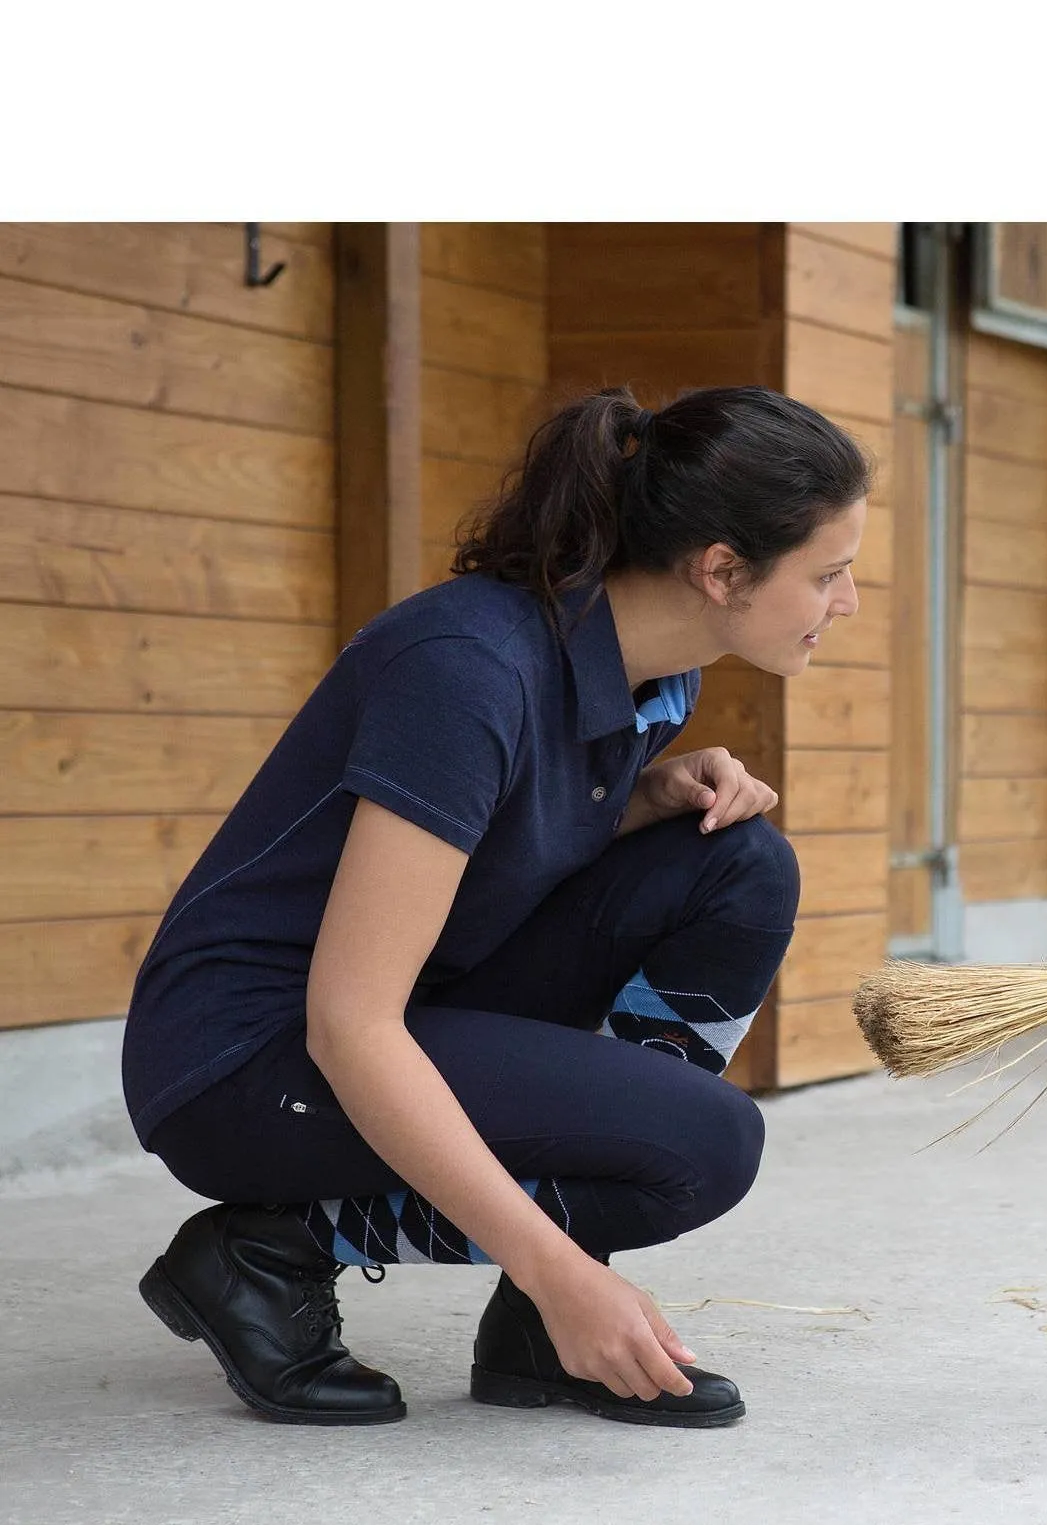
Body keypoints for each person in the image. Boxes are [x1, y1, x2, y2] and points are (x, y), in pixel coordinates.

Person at [123, 385, 868, 1428]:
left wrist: (640, 799)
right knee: (696, 1152)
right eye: (827, 575)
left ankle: (530, 1331)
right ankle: (272, 1248)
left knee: (737, 865)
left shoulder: (646, 675)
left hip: (412, 999)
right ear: (719, 569)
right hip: (246, 1060)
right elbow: (349, 1020)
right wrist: (559, 1264)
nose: (847, 604)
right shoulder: (467, 670)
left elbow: (483, 859)